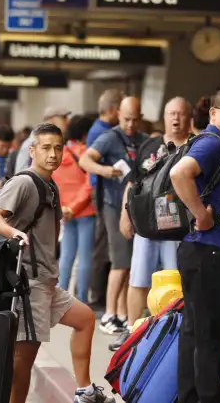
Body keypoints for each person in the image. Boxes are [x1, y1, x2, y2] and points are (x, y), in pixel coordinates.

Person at [0, 123, 114, 403]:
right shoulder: (24, 182)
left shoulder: (48, 184)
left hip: (46, 282)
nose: (53, 154)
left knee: (85, 319)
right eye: (45, 148)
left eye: (57, 147)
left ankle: (84, 391)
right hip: (28, 284)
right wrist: (13, 232)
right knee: (22, 362)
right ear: (32, 151)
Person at [169, 84, 220, 403]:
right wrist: (200, 214)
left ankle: (190, 395)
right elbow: (179, 173)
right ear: (214, 113)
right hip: (208, 249)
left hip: (203, 250)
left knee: (196, 330)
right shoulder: (214, 143)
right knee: (210, 333)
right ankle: (210, 396)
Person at [111, 97, 192, 350]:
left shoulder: (195, 147)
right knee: (138, 278)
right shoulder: (149, 145)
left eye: (180, 113)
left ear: (188, 118)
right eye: (171, 113)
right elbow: (133, 184)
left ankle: (176, 333)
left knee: (175, 280)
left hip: (177, 226)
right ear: (164, 117)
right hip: (147, 224)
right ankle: (133, 330)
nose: (176, 118)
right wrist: (126, 215)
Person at [79, 97, 148, 335]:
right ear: (118, 114)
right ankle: (109, 313)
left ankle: (121, 313)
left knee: (130, 264)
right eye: (126, 119)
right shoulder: (109, 137)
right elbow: (85, 159)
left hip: (135, 207)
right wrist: (104, 170)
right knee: (120, 262)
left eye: (135, 120)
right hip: (112, 205)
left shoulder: (144, 140)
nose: (130, 124)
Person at [87, 89, 123, 309]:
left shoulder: (102, 130)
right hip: (102, 194)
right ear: (111, 110)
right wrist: (107, 171)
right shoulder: (102, 133)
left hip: (105, 193)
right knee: (102, 246)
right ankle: (97, 295)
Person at [53, 116, 96, 303]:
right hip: (85, 211)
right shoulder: (86, 153)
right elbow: (89, 184)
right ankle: (82, 299)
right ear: (86, 134)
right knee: (85, 258)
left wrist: (64, 208)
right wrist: (75, 206)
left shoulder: (59, 154)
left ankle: (60, 297)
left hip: (65, 213)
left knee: (66, 256)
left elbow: (55, 184)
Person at [14, 106, 70, 174]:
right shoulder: (31, 141)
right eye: (63, 117)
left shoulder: (67, 141)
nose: (68, 121)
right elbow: (21, 171)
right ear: (51, 120)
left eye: (58, 148)